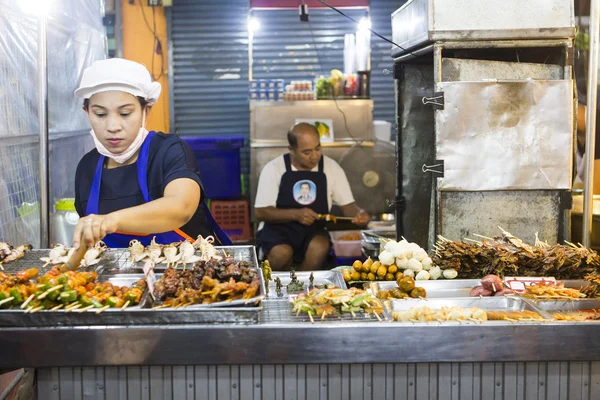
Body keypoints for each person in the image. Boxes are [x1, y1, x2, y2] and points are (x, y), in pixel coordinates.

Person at [72, 58, 231, 250]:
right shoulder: (86, 168)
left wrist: (111, 220)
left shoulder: (169, 151)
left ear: (145, 110)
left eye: (125, 113)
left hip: (188, 272)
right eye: (100, 114)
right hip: (118, 279)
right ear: (86, 111)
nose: (113, 127)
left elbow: (180, 209)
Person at [254, 122, 370, 271]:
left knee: (319, 248)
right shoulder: (274, 168)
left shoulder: (331, 168)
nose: (315, 156)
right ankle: (274, 288)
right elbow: (260, 212)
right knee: (281, 253)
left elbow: (349, 208)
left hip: (314, 230)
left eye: (318, 148)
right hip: (277, 230)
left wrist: (359, 216)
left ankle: (303, 288)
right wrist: (296, 214)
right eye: (307, 152)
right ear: (292, 150)